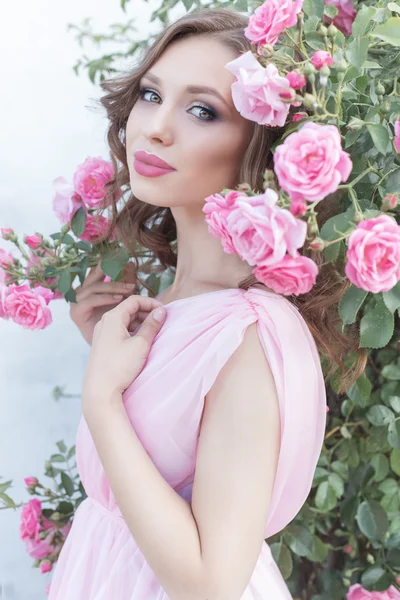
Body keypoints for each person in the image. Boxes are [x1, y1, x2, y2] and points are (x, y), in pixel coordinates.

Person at [51, 6, 365, 599]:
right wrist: (126, 370)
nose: (155, 128)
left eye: (202, 110)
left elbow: (210, 586)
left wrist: (103, 396)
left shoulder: (248, 332)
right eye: (150, 94)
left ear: (261, 144)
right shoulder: (178, 300)